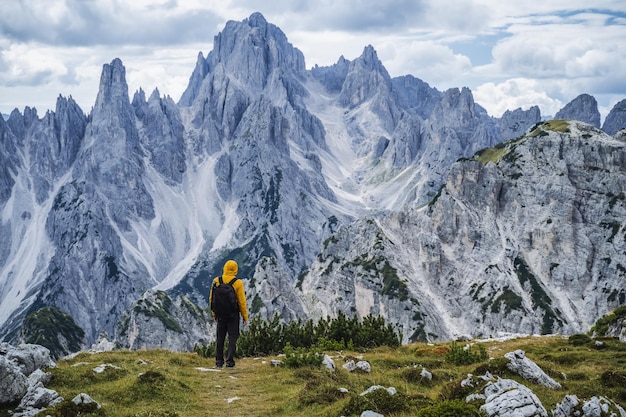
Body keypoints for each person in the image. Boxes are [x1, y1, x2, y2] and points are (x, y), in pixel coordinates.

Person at [209, 259, 248, 368]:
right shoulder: (238, 283)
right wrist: (245, 316)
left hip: (220, 314)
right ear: (235, 270)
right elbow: (242, 301)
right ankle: (229, 361)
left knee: (220, 337)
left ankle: (219, 361)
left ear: (224, 268)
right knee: (233, 337)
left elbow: (212, 298)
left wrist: (214, 313)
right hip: (233, 315)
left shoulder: (216, 280)